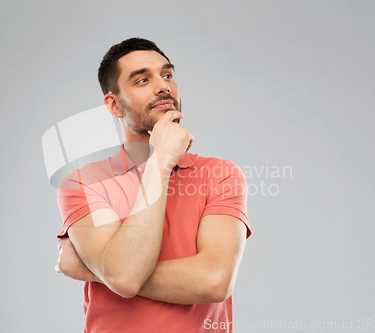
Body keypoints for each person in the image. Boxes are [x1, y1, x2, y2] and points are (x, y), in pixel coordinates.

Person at [55, 37, 251, 332]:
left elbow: (214, 280)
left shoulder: (220, 174)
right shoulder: (82, 183)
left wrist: (98, 271)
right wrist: (160, 162)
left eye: (168, 75)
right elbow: (123, 276)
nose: (164, 86)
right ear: (113, 105)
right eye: (143, 80)